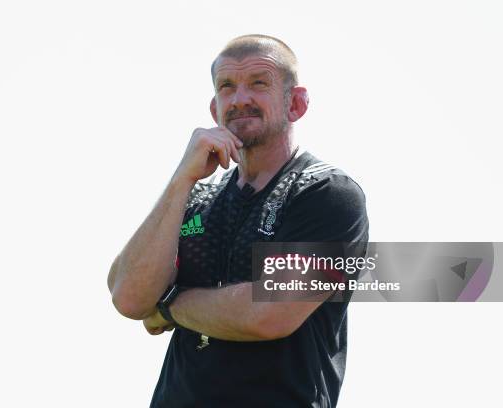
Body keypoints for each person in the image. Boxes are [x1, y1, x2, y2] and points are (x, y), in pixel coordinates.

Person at [107, 34, 369, 408]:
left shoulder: (328, 193)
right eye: (227, 87)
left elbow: (268, 313)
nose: (240, 99)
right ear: (214, 108)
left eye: (259, 84)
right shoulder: (195, 196)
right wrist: (181, 179)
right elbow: (129, 296)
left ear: (295, 104)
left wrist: (167, 305)